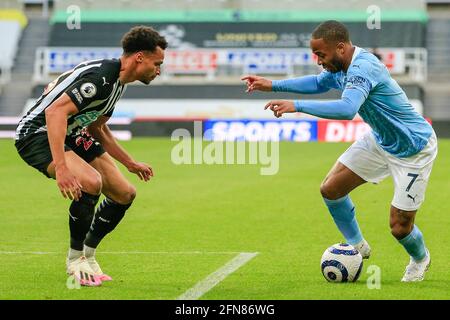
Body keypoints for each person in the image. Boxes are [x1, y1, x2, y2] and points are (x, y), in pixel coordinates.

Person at [242, 20, 437, 282]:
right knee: (331, 189)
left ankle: (420, 258)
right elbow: (318, 83)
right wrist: (273, 85)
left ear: (341, 48)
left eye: (321, 54)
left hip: (414, 148)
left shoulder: (362, 67)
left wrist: (296, 105)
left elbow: (347, 109)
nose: (319, 60)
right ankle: (357, 246)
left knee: (399, 227)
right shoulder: (339, 66)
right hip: (381, 140)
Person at [15, 26, 168, 286]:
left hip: (71, 132)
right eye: (157, 63)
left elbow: (97, 127)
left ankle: (88, 255)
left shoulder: (120, 84)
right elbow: (54, 114)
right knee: (91, 182)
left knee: (124, 194)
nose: (159, 70)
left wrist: (130, 163)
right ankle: (74, 260)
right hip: (37, 133)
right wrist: (62, 168)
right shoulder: (101, 78)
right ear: (139, 57)